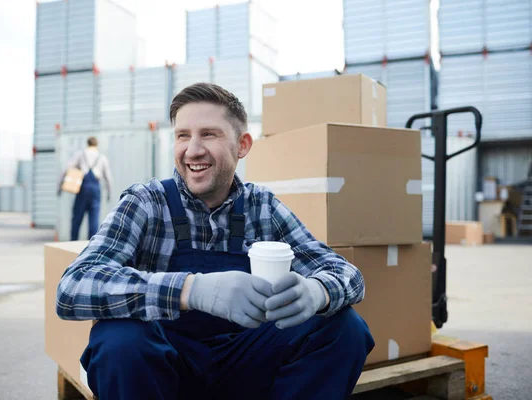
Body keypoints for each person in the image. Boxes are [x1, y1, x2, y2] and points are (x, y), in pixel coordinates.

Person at [56, 83, 374, 399]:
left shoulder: (260, 206)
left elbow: (345, 273)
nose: (192, 149)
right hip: (161, 369)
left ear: (242, 145)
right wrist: (192, 290)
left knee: (344, 328)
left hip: (244, 365)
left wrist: (316, 292)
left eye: (209, 134)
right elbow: (73, 288)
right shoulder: (147, 202)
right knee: (119, 340)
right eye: (183, 135)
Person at [58, 137, 113, 241]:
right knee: (94, 220)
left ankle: (72, 244)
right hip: (95, 188)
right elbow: (108, 178)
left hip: (83, 187)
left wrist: (60, 186)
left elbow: (66, 168)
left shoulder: (80, 154)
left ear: (87, 144)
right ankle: (91, 247)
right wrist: (109, 193)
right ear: (97, 145)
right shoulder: (102, 157)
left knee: (77, 219)